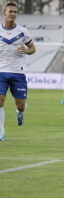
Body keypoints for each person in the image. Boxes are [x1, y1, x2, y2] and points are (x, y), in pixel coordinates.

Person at [0, 2, 36, 141]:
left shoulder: (22, 31)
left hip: (18, 73)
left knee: (20, 105)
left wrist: (27, 50)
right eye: (10, 11)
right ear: (5, 13)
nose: (13, 14)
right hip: (1, 72)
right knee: (0, 100)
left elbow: (33, 48)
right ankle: (1, 132)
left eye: (15, 12)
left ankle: (19, 112)